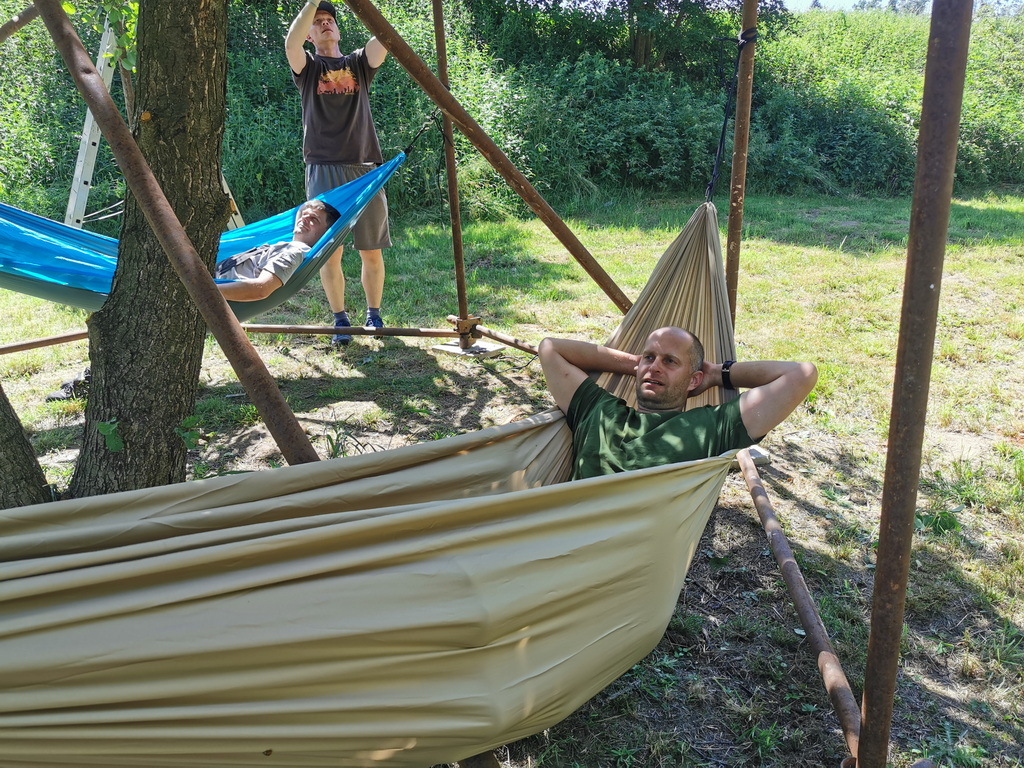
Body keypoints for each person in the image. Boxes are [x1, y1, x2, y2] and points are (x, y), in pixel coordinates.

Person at [46, 201, 339, 402]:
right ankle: (94, 378)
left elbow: (260, 289)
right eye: (304, 213)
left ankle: (91, 380)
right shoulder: (281, 243)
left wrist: (199, 288)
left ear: (325, 232)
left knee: (113, 292)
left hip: (200, 292)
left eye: (315, 219)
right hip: (195, 282)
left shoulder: (294, 252)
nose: (305, 218)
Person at [538, 327, 818, 480]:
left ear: (694, 380)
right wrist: (638, 365)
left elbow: (801, 374)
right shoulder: (598, 409)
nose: (654, 367)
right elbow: (550, 348)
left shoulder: (711, 427)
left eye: (670, 361)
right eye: (649, 357)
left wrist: (715, 374)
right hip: (565, 541)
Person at [286, 0, 390, 347]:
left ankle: (374, 316)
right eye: (317, 21)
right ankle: (340, 320)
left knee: (370, 250)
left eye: (330, 19)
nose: (325, 23)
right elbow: (290, 45)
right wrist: (311, 3)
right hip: (323, 168)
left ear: (339, 29)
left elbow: (385, 36)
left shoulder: (358, 63)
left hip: (365, 169)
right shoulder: (308, 68)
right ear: (310, 34)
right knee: (329, 251)